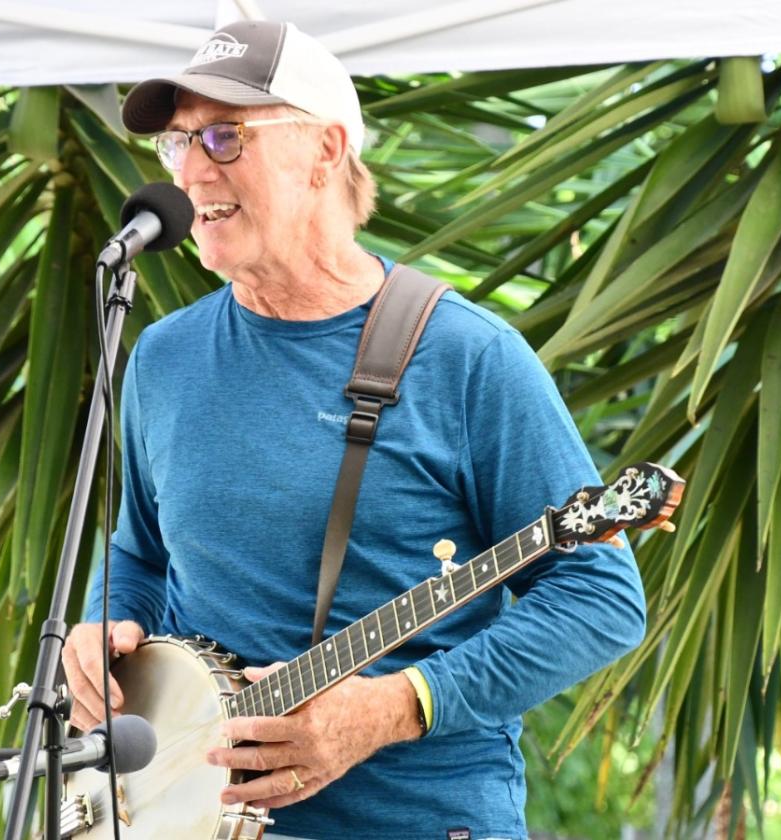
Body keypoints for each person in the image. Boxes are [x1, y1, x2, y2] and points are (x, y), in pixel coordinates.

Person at [61, 20, 646, 840]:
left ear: (326, 150)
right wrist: (103, 629)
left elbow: (600, 597)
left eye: (225, 137)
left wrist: (393, 707)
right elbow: (142, 552)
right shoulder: (163, 357)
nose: (191, 172)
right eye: (179, 143)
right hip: (184, 816)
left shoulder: (469, 359)